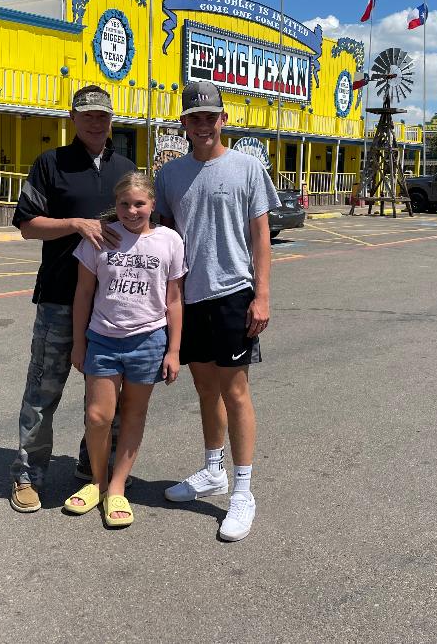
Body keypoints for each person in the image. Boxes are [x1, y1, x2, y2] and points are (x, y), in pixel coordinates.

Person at [154, 80, 280, 542]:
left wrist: (262, 295)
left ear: (224, 119)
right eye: (195, 118)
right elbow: (165, 239)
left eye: (211, 117)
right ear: (184, 123)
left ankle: (243, 491)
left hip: (233, 294)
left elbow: (261, 236)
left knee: (235, 393)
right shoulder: (169, 175)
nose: (203, 125)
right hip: (189, 298)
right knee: (205, 390)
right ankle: (213, 470)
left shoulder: (247, 167)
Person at [9, 85, 135, 513]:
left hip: (112, 303)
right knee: (43, 390)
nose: (95, 122)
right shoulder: (51, 163)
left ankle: (91, 465)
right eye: (87, 115)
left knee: (106, 395)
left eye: (102, 115)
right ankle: (29, 475)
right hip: (59, 298)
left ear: (111, 119)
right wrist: (76, 224)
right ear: (73, 119)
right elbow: (27, 225)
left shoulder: (125, 168)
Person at [63, 172, 186, 527]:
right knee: (98, 417)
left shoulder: (169, 240)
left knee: (133, 414)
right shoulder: (100, 237)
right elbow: (83, 293)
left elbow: (174, 299)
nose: (132, 211)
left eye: (139, 204)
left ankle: (117, 487)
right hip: (103, 339)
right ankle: (97, 482)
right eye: (124, 204)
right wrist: (79, 343)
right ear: (115, 205)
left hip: (149, 340)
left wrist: (174, 350)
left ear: (152, 204)